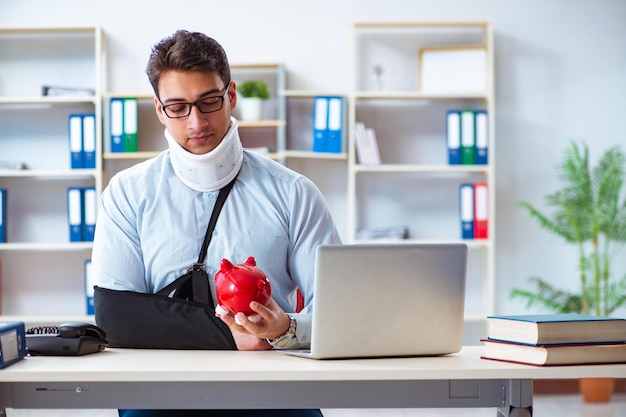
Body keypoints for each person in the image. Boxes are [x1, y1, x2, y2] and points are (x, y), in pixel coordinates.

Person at [91, 29, 341, 417]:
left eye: (209, 101)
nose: (196, 122)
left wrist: (284, 328)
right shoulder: (127, 193)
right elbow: (117, 316)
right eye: (178, 107)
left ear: (232, 96)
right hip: (159, 393)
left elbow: (337, 309)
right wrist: (229, 335)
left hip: (272, 389)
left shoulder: (294, 192)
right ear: (159, 109)